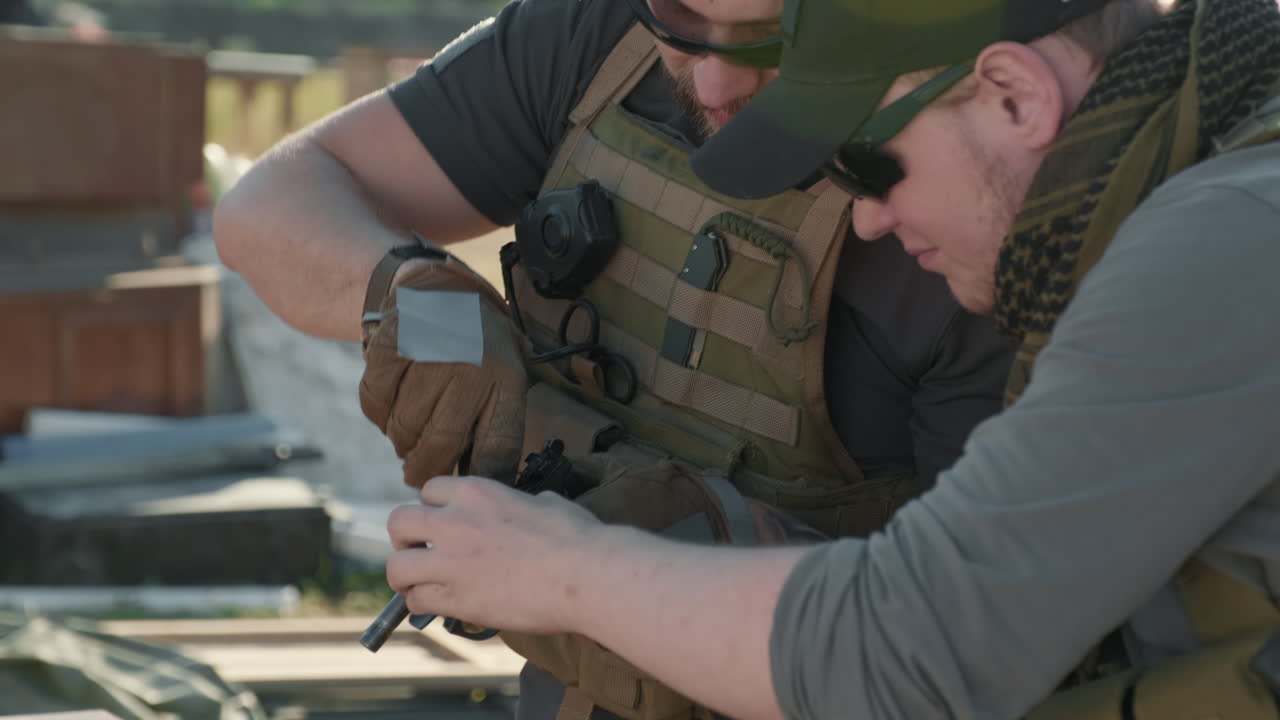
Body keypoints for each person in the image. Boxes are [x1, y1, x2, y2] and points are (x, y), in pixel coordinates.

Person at [379, 0, 1280, 717]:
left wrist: (558, 570)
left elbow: (907, 653)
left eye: (869, 162)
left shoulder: (1222, 243)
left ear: (1015, 96)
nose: (865, 218)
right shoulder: (1218, 174)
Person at [213, 0, 1014, 715]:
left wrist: (635, 565)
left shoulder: (962, 206)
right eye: (682, 25)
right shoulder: (596, 36)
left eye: (768, 40)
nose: (710, 84)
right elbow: (269, 205)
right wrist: (421, 299)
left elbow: (975, 652)